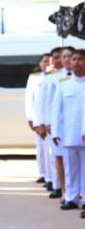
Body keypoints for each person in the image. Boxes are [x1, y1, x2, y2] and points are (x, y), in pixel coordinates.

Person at [37, 46, 74, 201]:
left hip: (74, 124)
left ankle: (72, 191)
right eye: (60, 57)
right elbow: (47, 102)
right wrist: (46, 123)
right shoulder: (52, 77)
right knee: (58, 157)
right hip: (57, 123)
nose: (64, 60)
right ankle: (60, 188)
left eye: (67, 56)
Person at [52, 49, 85, 218]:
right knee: (70, 168)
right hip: (69, 134)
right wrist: (56, 132)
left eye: (80, 59)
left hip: (84, 135)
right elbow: (57, 110)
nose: (77, 62)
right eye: (75, 59)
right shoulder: (64, 83)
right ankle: (71, 198)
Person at [25, 53, 51, 186]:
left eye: (49, 61)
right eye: (44, 61)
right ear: (40, 63)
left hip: (49, 121)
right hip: (37, 119)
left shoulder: (54, 78)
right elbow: (29, 100)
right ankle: (43, 173)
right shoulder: (34, 78)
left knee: (50, 151)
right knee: (41, 149)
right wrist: (30, 118)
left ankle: (50, 177)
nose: (47, 64)